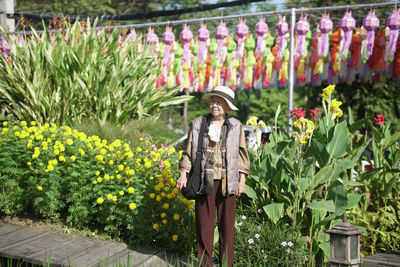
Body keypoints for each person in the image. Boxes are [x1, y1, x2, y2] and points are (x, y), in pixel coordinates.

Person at [177, 86, 250, 267]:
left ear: (227, 106)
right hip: (204, 182)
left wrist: (242, 180)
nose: (214, 105)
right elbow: (188, 152)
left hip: (228, 182)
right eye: (213, 101)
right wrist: (182, 174)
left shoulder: (236, 126)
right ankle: (205, 264)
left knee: (227, 229)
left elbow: (242, 155)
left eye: (219, 102)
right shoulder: (198, 123)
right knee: (204, 228)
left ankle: (226, 264)